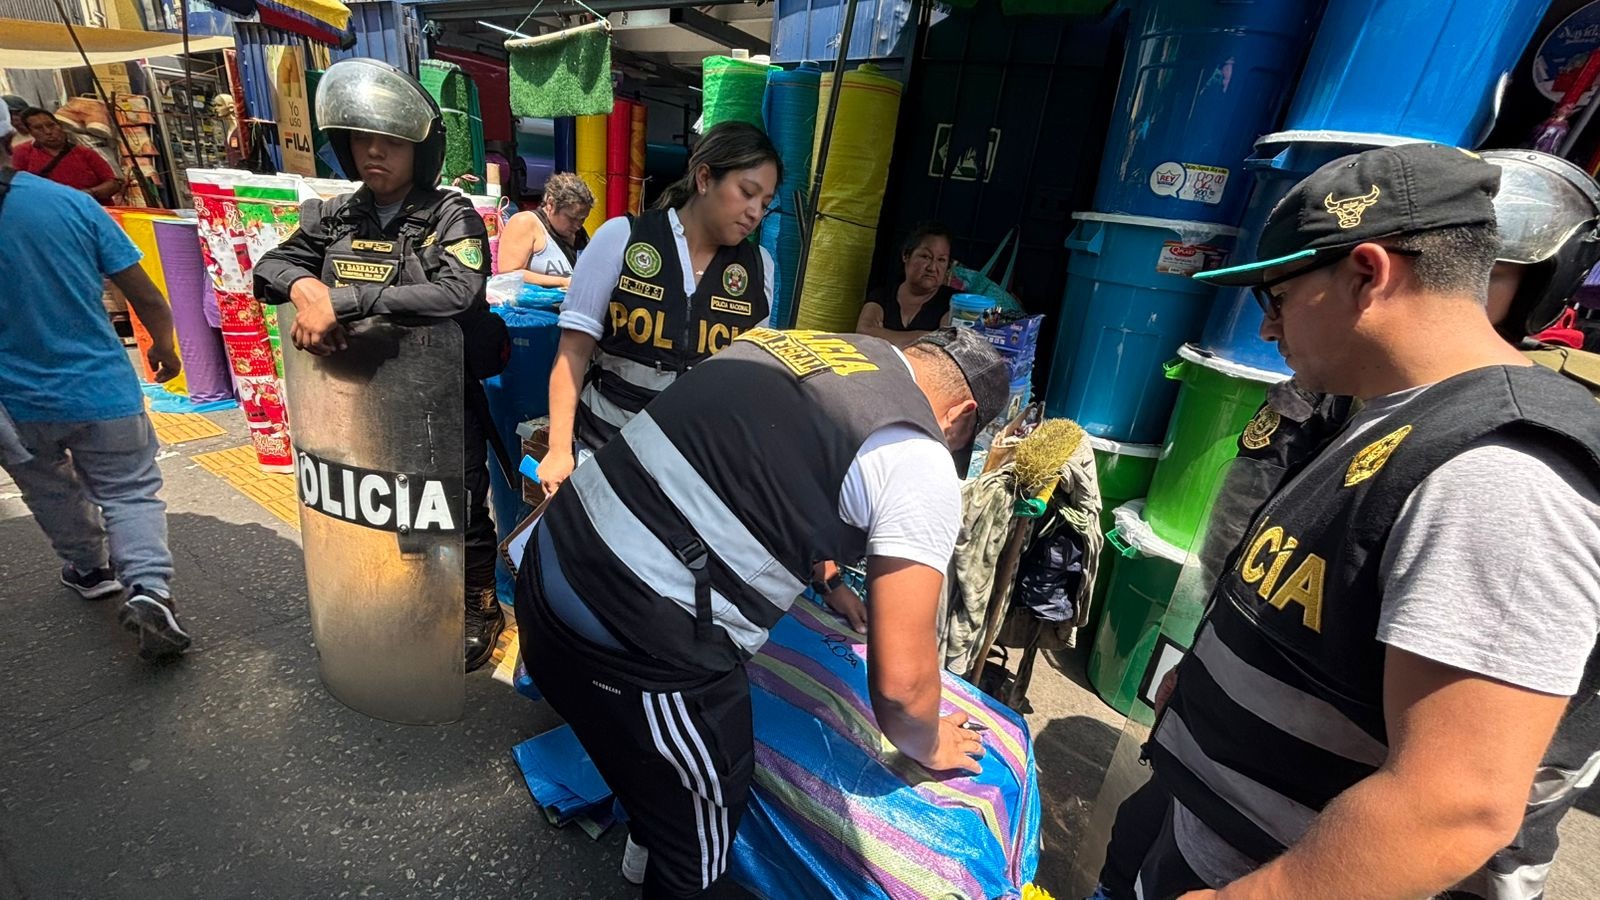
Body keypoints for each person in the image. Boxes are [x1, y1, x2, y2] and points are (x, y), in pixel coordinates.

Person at [1092, 143, 1600, 900]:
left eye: (1276, 299)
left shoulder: (1497, 476)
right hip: (1220, 838)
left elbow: (1453, 804)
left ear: (1367, 274)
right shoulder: (1390, 415)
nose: (1268, 331)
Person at [515, 325, 1009, 897]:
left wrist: (828, 580)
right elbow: (901, 689)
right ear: (961, 414)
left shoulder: (805, 345)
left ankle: (644, 834)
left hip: (547, 568)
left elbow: (767, 462)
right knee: (704, 826)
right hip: (629, 645)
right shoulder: (918, 456)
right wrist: (931, 743)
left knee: (650, 771)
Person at [253, 58, 510, 672]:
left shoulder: (451, 215)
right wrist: (304, 289)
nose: (375, 153)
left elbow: (457, 293)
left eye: (391, 143)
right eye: (363, 140)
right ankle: (413, 589)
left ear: (418, 150)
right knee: (389, 499)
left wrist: (342, 297)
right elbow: (269, 269)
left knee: (457, 498)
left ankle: (478, 603)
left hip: (440, 394)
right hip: (362, 392)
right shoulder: (337, 214)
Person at [0, 114, 189, 660]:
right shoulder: (68, 204)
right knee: (129, 492)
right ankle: (151, 590)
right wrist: (164, 346)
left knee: (49, 491)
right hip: (100, 390)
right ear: (14, 141)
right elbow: (145, 294)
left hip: (14, 407)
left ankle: (89, 569)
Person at [536, 122, 780, 494]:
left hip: (693, 468)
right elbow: (573, 351)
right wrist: (558, 449)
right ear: (704, 178)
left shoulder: (758, 268)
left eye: (764, 204)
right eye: (746, 193)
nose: (754, 213)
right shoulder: (623, 238)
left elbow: (748, 382)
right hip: (605, 451)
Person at [855, 222, 956, 347]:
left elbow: (946, 345)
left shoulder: (953, 303)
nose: (932, 267)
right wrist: (926, 336)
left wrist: (882, 334)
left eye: (941, 260)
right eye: (925, 256)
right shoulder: (882, 296)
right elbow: (863, 332)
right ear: (906, 255)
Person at [497, 172, 594, 289]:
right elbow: (508, 273)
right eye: (571, 218)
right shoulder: (525, 222)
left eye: (583, 219)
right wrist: (562, 282)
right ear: (550, 204)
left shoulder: (580, 235)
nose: (578, 225)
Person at [12, 107, 121, 205]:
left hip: (92, 210)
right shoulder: (22, 153)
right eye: (39, 128)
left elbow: (113, 183)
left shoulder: (84, 153)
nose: (48, 131)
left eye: (51, 125)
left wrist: (89, 193)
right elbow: (16, 187)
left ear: (59, 126)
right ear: (31, 132)